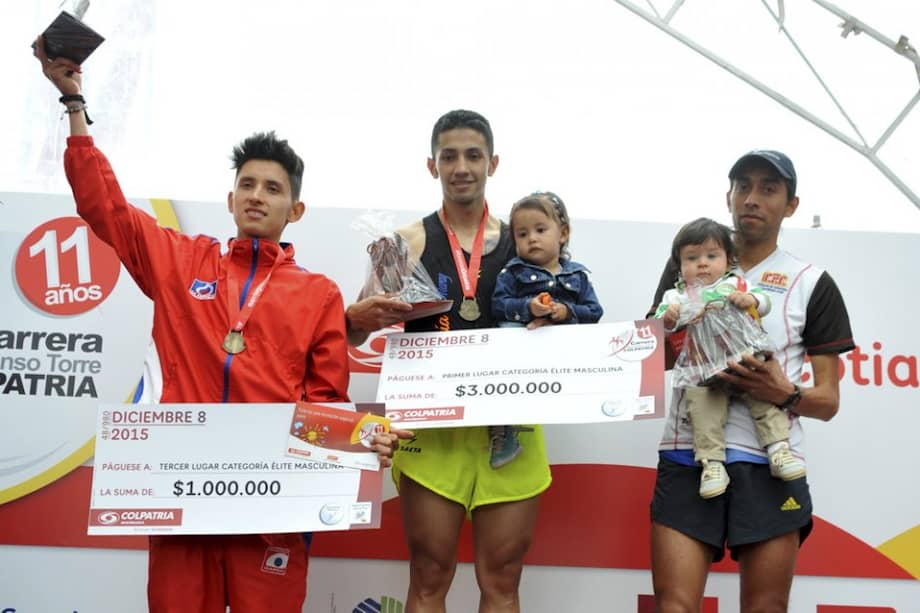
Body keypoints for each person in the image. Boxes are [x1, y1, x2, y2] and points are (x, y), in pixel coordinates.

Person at [34, 38, 401, 613]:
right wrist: (75, 104)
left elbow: (325, 402)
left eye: (273, 188)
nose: (258, 196)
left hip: (273, 507)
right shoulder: (181, 261)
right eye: (248, 186)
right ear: (231, 198)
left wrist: (361, 442)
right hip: (182, 497)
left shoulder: (318, 293)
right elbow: (102, 204)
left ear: (294, 210)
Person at [346, 110, 551, 612]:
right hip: (431, 429)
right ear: (432, 165)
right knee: (429, 573)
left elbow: (569, 320)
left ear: (493, 163)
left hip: (510, 426)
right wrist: (363, 313)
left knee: (502, 578)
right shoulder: (402, 242)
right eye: (450, 156)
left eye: (473, 156)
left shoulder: (526, 243)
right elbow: (355, 330)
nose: (462, 167)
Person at [646, 150, 854, 612]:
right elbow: (654, 356)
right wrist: (684, 335)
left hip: (769, 463)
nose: (752, 198)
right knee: (674, 606)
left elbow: (828, 401)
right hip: (688, 455)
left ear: (792, 204)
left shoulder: (810, 282)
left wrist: (781, 390)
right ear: (728, 196)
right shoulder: (691, 262)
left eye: (768, 188)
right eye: (743, 186)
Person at [653, 217, 805, 499]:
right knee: (701, 410)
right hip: (702, 368)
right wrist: (668, 318)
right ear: (679, 264)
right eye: (692, 258)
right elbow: (661, 327)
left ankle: (778, 449)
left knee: (764, 400)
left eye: (712, 256)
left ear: (728, 260)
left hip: (743, 358)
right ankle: (712, 464)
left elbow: (765, 301)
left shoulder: (735, 283)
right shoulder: (674, 296)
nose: (702, 263)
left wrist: (752, 301)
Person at [489, 190, 603, 467]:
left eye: (540, 230)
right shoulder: (512, 272)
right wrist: (529, 307)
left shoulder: (577, 275)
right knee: (503, 331)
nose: (532, 239)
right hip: (521, 345)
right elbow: (498, 305)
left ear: (563, 233)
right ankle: (504, 433)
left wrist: (565, 313)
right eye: (522, 234)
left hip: (562, 356)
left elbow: (595, 312)